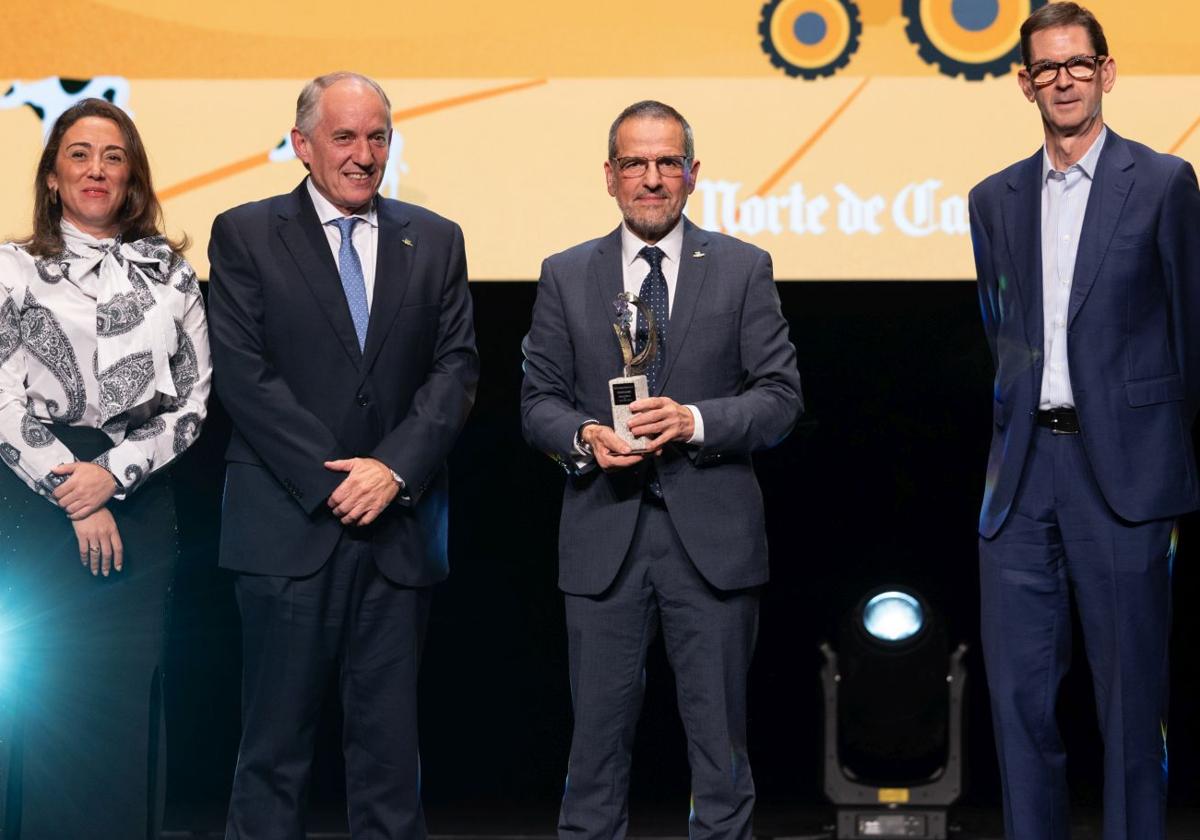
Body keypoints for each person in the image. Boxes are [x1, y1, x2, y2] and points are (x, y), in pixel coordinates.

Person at [521, 100, 803, 839]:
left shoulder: (743, 268)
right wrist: (584, 434)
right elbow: (537, 401)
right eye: (635, 164)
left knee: (721, 758)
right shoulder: (565, 272)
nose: (652, 178)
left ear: (693, 173)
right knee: (594, 757)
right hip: (603, 535)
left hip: (711, 542)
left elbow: (779, 398)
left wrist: (695, 421)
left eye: (667, 162)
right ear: (610, 176)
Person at [207, 72, 478, 840]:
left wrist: (390, 470)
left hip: (397, 533)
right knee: (272, 757)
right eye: (345, 137)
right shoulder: (246, 231)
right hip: (286, 529)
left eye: (378, 137)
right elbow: (242, 373)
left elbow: (456, 369)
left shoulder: (436, 237)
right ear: (301, 145)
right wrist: (334, 478)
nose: (364, 155)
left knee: (391, 765)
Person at [968, 4, 1200, 838]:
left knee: (1132, 708)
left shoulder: (1165, 182)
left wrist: (1156, 447)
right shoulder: (992, 198)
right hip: (1024, 478)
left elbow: (1189, 330)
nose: (1062, 80)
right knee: (1019, 704)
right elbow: (1003, 335)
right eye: (1046, 68)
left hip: (1125, 478)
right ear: (1024, 83)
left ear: (1106, 72)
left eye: (1078, 64)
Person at [0, 98, 211, 839]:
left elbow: (193, 399)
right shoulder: (12, 269)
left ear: (132, 177)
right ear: (54, 176)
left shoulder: (171, 274)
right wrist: (76, 490)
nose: (96, 169)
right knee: (44, 705)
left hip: (141, 501)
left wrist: (114, 477)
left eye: (113, 156)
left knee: (123, 702)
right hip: (37, 505)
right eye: (80, 154)